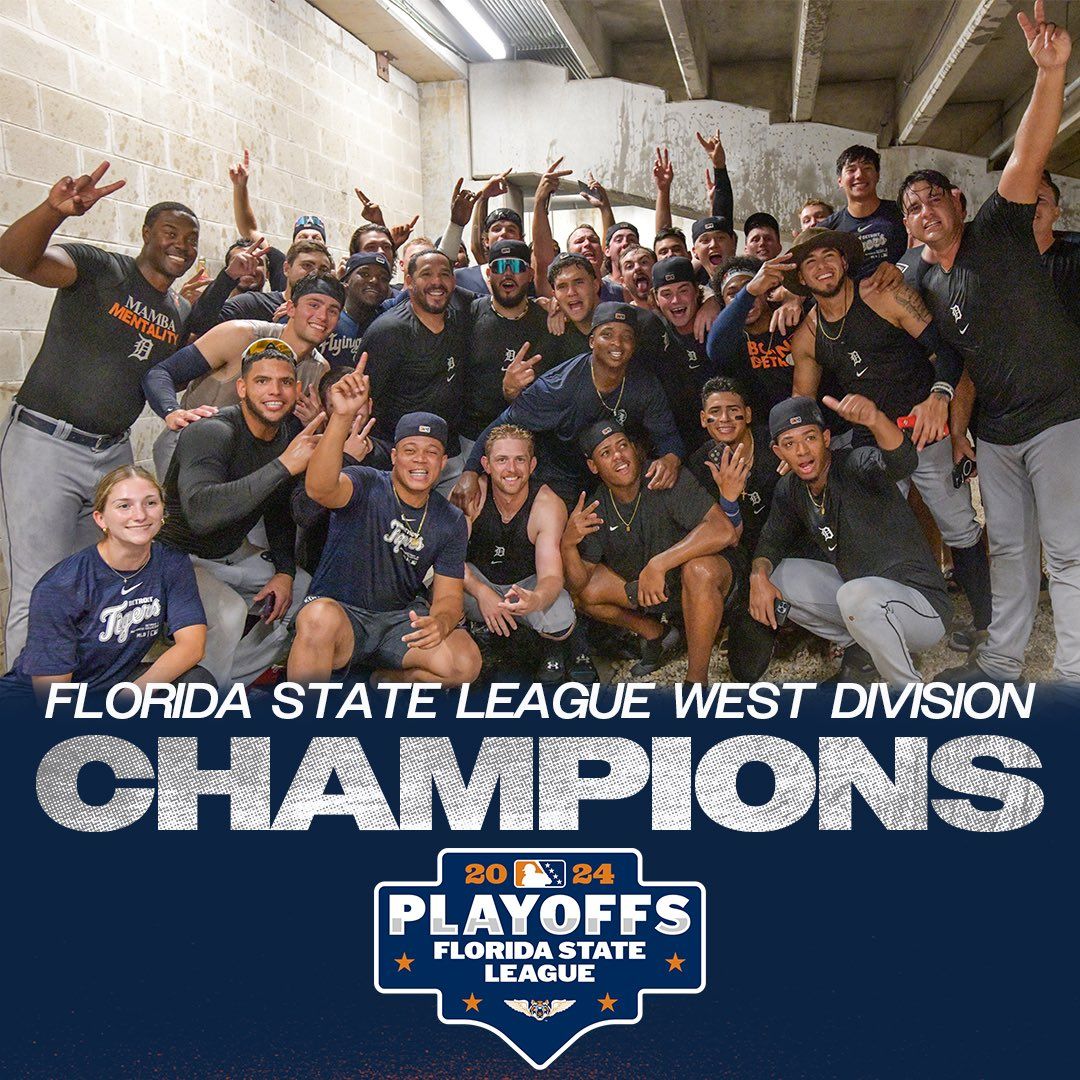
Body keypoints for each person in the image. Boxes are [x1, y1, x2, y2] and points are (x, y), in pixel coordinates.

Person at [898, 1, 1079, 682]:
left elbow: (1030, 148)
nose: (925, 210)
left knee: (1067, 553)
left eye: (935, 197)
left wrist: (1050, 75)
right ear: (909, 225)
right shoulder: (918, 275)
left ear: (959, 203)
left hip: (1060, 414)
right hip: (999, 432)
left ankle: (1071, 675)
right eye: (912, 206)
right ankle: (1001, 663)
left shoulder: (1000, 230)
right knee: (1008, 550)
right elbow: (946, 352)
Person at [0, 164, 197, 660]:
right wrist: (52, 212)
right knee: (40, 586)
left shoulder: (174, 313)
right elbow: (14, 259)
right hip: (45, 444)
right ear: (146, 233)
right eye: (171, 232)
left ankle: (84, 701)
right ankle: (28, 715)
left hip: (111, 455)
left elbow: (154, 379)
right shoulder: (99, 268)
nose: (182, 244)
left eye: (192, 239)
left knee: (103, 583)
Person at [784, 226, 992, 643]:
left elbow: (947, 350)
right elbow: (802, 404)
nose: (822, 267)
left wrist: (939, 396)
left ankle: (985, 622)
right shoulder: (807, 335)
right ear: (803, 280)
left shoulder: (881, 295)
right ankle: (886, 624)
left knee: (958, 527)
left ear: (844, 262)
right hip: (872, 443)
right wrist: (795, 445)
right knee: (872, 533)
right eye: (811, 263)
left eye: (829, 257)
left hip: (924, 428)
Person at [291, 371, 480, 686]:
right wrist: (342, 417)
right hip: (342, 617)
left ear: (443, 462)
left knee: (466, 661)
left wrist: (442, 622)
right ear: (394, 456)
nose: (420, 459)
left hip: (398, 622)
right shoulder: (365, 481)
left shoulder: (450, 519)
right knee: (317, 618)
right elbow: (319, 489)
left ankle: (387, 681)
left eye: (431, 452)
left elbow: (448, 597)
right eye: (410, 450)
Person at [751, 396, 950, 683]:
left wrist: (876, 419)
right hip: (864, 598)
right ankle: (863, 649)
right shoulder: (790, 489)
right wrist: (758, 577)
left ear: (827, 438)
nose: (802, 451)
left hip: (922, 607)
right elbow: (771, 541)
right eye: (790, 443)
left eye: (810, 438)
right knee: (779, 577)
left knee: (854, 595)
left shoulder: (856, 463)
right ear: (778, 451)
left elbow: (903, 463)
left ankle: (909, 691)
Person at [159, 339, 322, 687]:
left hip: (232, 554)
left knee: (311, 601)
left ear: (296, 389)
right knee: (230, 613)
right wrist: (283, 466)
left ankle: (224, 684)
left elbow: (277, 511)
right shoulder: (211, 431)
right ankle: (196, 699)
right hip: (178, 560)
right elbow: (201, 513)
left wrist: (284, 571)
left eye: (284, 382)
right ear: (242, 387)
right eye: (262, 381)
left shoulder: (285, 434)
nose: (274, 391)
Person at [2, 466, 207, 696]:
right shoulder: (61, 585)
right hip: (39, 702)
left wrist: (131, 697)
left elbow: (192, 646)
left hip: (111, 686)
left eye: (150, 503)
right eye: (124, 506)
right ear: (101, 519)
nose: (140, 515)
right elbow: (52, 699)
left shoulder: (171, 562)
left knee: (197, 685)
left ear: (162, 512)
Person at [455, 302, 683, 507]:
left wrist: (671, 457)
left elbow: (667, 434)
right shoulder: (558, 386)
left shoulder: (645, 383)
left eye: (626, 336)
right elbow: (504, 423)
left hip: (613, 472)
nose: (617, 343)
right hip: (560, 474)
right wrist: (471, 471)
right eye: (607, 334)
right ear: (592, 341)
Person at [562, 420, 737, 682]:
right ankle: (656, 633)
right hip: (657, 594)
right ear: (593, 466)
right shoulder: (596, 507)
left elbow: (724, 530)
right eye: (606, 453)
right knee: (584, 594)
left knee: (698, 571)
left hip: (705, 582)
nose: (618, 456)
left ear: (634, 449)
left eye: (622, 446)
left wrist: (660, 563)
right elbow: (578, 585)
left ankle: (695, 681)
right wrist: (567, 544)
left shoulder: (662, 476)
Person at [143, 271, 344, 475]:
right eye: (314, 305)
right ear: (291, 308)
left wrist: (312, 423)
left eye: (333, 310)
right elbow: (161, 372)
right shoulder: (239, 335)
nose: (322, 316)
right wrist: (172, 411)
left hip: (246, 461)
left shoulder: (319, 369)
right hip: (189, 446)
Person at [686, 378, 785, 681]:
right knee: (745, 672)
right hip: (737, 561)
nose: (725, 419)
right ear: (704, 419)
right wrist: (728, 500)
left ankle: (799, 627)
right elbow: (720, 535)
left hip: (782, 557)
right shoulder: (700, 463)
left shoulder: (777, 448)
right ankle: (696, 679)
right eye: (715, 411)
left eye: (733, 410)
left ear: (749, 414)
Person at [462, 425, 574, 679]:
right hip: (479, 581)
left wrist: (534, 600)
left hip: (524, 585)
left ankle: (551, 650)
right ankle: (474, 639)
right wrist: (482, 593)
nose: (511, 469)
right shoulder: (471, 495)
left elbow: (552, 576)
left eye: (519, 460)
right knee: (441, 591)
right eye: (501, 460)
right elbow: (447, 560)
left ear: (532, 465)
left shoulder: (547, 505)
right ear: (486, 464)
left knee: (559, 615)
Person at [362, 248, 470, 495]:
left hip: (449, 456)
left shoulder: (461, 319)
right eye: (426, 274)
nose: (436, 282)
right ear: (408, 282)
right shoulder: (387, 331)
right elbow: (367, 402)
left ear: (454, 281)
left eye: (445, 274)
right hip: (401, 462)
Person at [292, 365, 391, 576]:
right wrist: (346, 459)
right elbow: (304, 515)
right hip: (325, 569)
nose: (352, 409)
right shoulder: (311, 452)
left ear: (370, 404)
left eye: (358, 401)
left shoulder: (391, 454)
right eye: (339, 404)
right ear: (327, 412)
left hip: (379, 569)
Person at [463, 239, 549, 441]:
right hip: (473, 437)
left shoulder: (549, 321)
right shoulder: (468, 314)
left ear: (530, 275)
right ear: (488, 274)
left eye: (517, 266)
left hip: (531, 437)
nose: (508, 273)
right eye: (500, 267)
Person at [705, 255, 798, 418]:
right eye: (732, 294)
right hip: (760, 430)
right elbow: (714, 348)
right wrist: (749, 291)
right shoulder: (729, 339)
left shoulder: (790, 316)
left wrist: (795, 295)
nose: (748, 300)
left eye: (750, 286)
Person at [650, 256, 717, 453]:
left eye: (683, 291)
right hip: (678, 447)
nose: (676, 301)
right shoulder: (652, 333)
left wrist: (714, 301)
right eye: (666, 294)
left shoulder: (717, 327)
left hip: (724, 437)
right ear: (655, 297)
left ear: (697, 291)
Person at [820, 145, 907, 276]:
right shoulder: (828, 229)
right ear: (840, 181)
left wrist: (900, 270)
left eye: (867, 168)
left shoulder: (902, 212)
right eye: (851, 170)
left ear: (877, 176)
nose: (859, 175)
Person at [211, 239, 334, 325]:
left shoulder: (329, 317)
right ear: (286, 268)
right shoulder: (252, 303)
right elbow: (201, 325)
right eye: (307, 265)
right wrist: (228, 275)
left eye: (323, 269)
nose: (315, 273)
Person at [323, 251, 393, 368]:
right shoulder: (325, 316)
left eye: (384, 278)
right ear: (346, 281)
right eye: (365, 274)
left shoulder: (387, 316)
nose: (374, 280)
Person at [1034, 170, 1080, 326]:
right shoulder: (999, 258)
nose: (1031, 206)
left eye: (1040, 199)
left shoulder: (1074, 258)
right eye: (1025, 200)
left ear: (1056, 213)